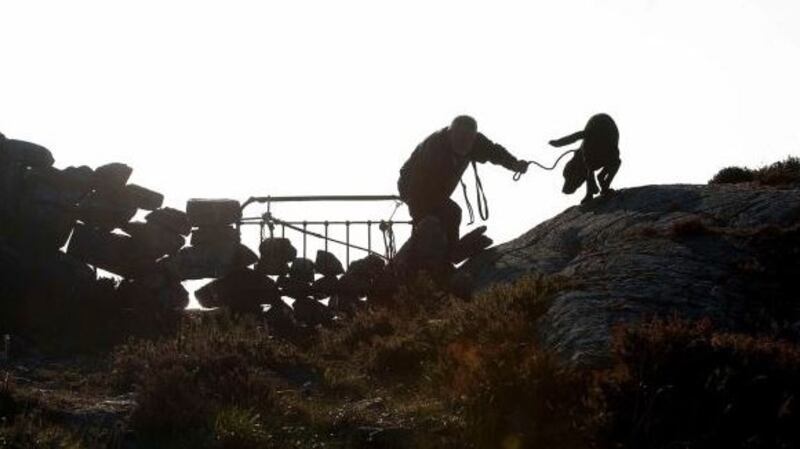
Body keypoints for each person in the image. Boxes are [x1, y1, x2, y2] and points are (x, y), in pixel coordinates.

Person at [397, 115, 528, 256]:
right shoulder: (434, 149)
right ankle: (435, 253)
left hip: (438, 190)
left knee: (449, 213)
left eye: (468, 139)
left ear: (474, 137)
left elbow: (494, 152)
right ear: (450, 133)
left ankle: (450, 249)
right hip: (412, 187)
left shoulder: (476, 141)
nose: (464, 143)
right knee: (446, 215)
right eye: (460, 138)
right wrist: (419, 215)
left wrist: (514, 164)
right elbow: (416, 186)